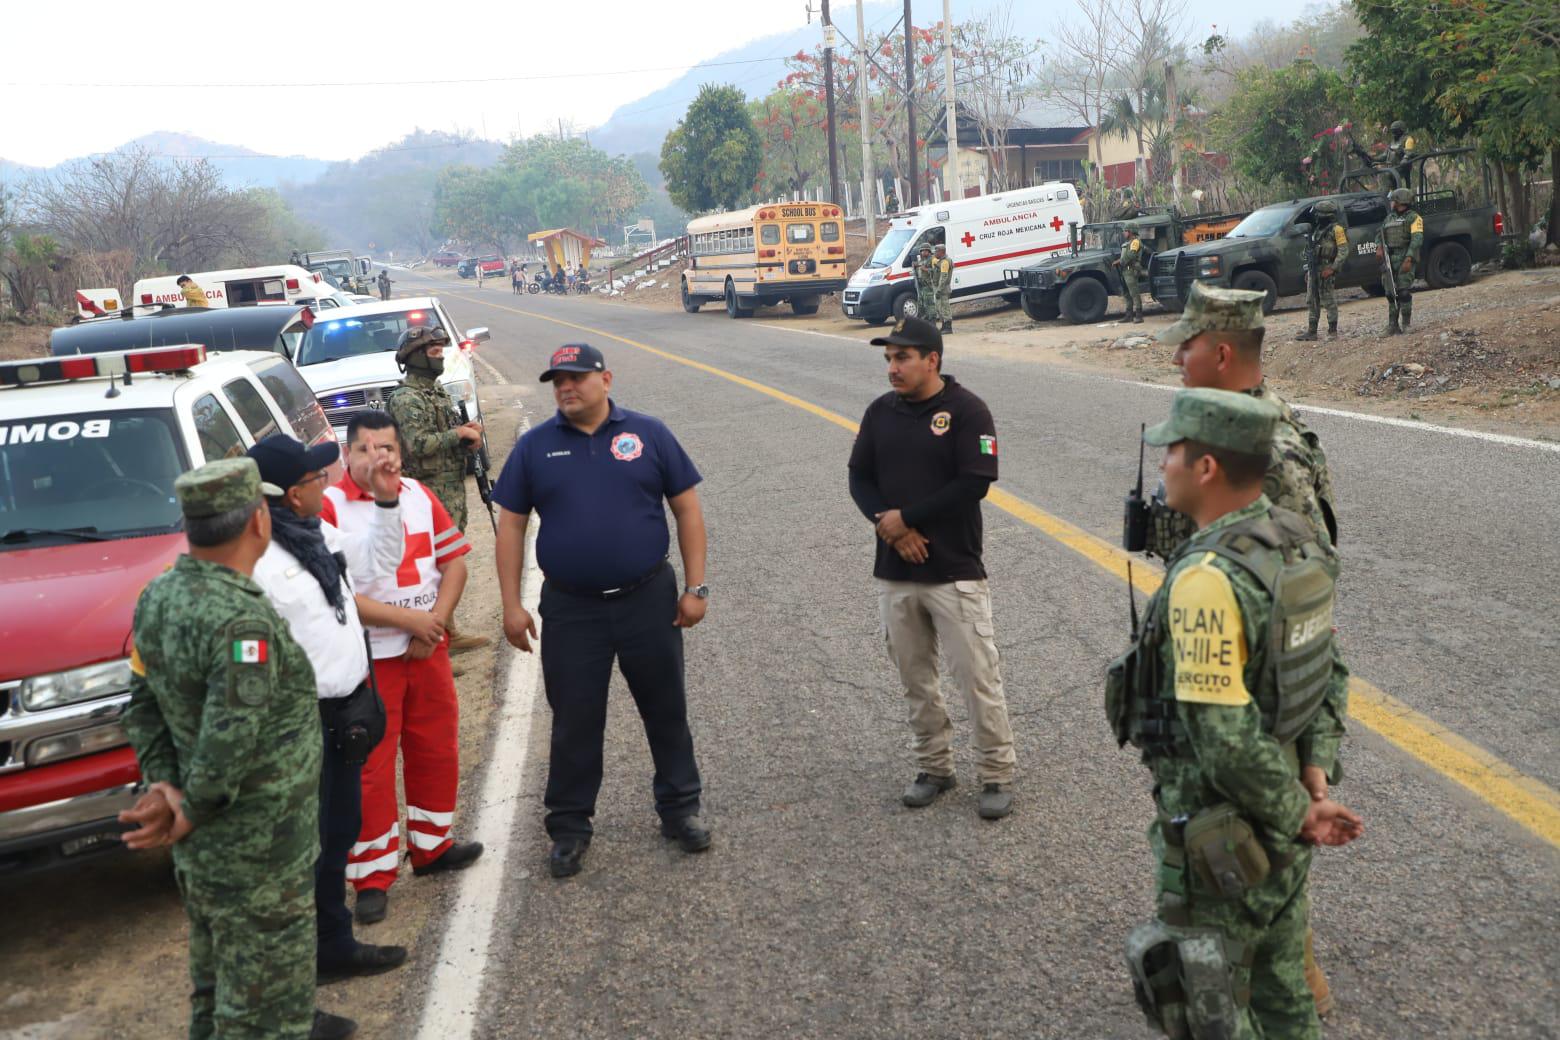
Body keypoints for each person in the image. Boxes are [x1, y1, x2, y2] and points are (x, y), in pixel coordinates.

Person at [1109, 388, 1363, 1040]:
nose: (1161, 463)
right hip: (1286, 814)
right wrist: (1315, 772)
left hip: (1221, 836)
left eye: (1172, 451)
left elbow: (1223, 740)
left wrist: (1300, 811)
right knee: (1284, 995)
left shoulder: (1206, 580)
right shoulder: (1297, 543)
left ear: (1206, 468)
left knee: (1211, 1010)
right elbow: (1329, 669)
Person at [1145, 281, 1346, 1016]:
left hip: (1250, 696)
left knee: (1248, 882)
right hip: (1236, 657)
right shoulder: (1235, 426)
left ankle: (1285, 974)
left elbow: (1303, 585)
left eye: (1189, 344)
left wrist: (1305, 783)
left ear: (1223, 353)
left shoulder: (1269, 448)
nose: (1177, 357)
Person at [118, 458, 356, 1040]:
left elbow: (142, 704)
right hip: (260, 853)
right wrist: (192, 806)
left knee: (214, 996)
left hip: (205, 855)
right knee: (266, 1015)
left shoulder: (158, 597)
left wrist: (164, 785)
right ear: (258, 521)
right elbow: (232, 734)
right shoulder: (244, 622)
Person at [493, 343, 711, 879]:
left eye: (576, 377)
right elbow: (512, 525)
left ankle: (680, 809)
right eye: (557, 381)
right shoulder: (535, 447)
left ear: (606, 379)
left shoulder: (649, 434)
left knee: (665, 708)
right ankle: (569, 827)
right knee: (574, 720)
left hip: (647, 598)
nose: (566, 387)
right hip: (571, 609)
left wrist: (696, 588)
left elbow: (686, 509)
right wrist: (511, 604)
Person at [247, 435, 410, 986]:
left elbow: (378, 562)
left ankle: (335, 946)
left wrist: (386, 501)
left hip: (345, 712)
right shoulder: (258, 561)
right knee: (303, 849)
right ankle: (298, 971)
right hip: (298, 724)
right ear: (293, 494)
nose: (326, 484)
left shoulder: (316, 534)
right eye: (317, 479)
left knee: (339, 831)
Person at [847, 316, 1017, 819]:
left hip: (954, 571)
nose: (892, 368)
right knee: (916, 680)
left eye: (902, 358)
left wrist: (909, 518)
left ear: (932, 359)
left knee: (977, 679)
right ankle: (934, 768)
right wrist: (891, 527)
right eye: (888, 359)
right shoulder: (880, 412)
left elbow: (976, 480)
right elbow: (859, 477)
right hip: (895, 571)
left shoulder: (967, 410)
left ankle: (996, 773)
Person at [322, 411, 484, 925]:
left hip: (426, 651)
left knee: (435, 749)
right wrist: (410, 623)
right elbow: (337, 593)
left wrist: (433, 625)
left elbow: (454, 564)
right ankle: (372, 875)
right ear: (347, 454)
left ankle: (433, 847)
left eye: (387, 448)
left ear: (401, 452)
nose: (378, 458)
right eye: (365, 449)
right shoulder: (330, 506)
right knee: (369, 769)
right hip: (370, 662)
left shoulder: (418, 494)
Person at [385, 326, 489, 652]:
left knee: (447, 559)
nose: (440, 356)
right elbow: (416, 444)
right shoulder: (407, 399)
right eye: (433, 352)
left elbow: (442, 434)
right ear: (416, 357)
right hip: (426, 491)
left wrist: (466, 435)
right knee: (433, 564)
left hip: (449, 487)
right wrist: (458, 435)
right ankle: (436, 637)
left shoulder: (436, 392)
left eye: (440, 351)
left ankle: (446, 631)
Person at [1296, 201, 1348, 342]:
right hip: (1314, 269)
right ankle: (1312, 331)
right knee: (1312, 300)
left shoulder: (1337, 230)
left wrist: (1332, 268)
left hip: (1327, 268)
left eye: (1318, 214)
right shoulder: (1316, 230)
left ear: (1325, 215)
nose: (1316, 217)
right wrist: (1309, 270)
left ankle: (1332, 331)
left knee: (1328, 300)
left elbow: (1343, 251)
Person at [1379, 187, 1422, 335]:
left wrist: (1409, 258)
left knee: (1403, 292)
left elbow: (1417, 239)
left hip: (1405, 258)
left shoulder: (1414, 218)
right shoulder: (1389, 218)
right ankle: (1392, 325)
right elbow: (1380, 234)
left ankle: (1406, 324)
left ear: (1400, 201)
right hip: (1390, 259)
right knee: (1390, 293)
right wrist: (1379, 247)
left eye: (1394, 201)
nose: (1391, 203)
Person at [1114, 226, 1145, 323]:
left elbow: (1131, 255)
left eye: (1125, 231)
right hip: (1126, 270)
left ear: (1131, 232)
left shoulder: (1135, 242)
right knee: (1127, 294)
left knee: (1134, 293)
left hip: (1131, 270)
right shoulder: (1129, 242)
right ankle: (1129, 315)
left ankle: (1139, 316)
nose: (1124, 233)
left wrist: (1120, 261)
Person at [931, 241, 954, 335]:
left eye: (936, 251)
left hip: (943, 289)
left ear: (941, 252)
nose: (935, 253)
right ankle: (944, 326)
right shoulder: (941, 261)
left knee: (945, 308)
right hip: (941, 288)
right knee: (940, 308)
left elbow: (944, 277)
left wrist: (939, 290)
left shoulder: (945, 262)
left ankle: (948, 328)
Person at [913, 244, 936, 322]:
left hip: (929, 286)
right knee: (922, 305)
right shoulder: (921, 261)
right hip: (921, 287)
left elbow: (936, 271)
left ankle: (932, 322)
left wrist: (925, 269)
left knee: (930, 305)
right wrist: (915, 267)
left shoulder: (932, 260)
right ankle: (926, 322)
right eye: (922, 251)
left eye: (925, 250)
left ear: (929, 251)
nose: (923, 252)